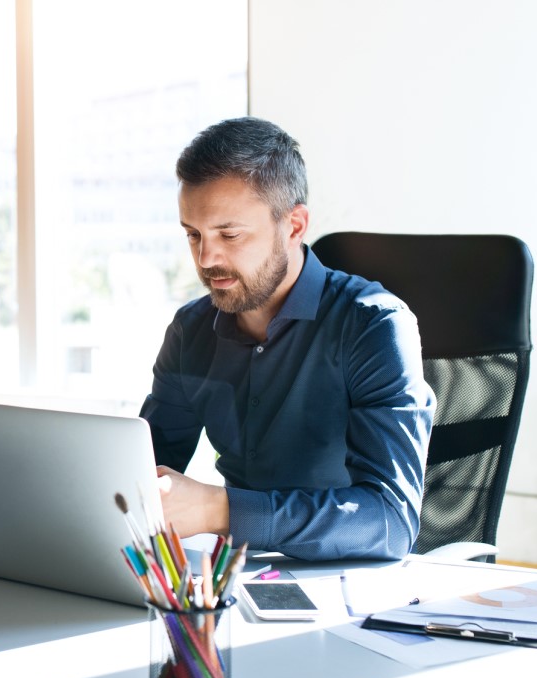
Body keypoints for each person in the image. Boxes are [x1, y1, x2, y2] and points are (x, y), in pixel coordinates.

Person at [140, 117, 435, 561]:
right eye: (193, 234)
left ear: (294, 226)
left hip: (353, 584)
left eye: (229, 234)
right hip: (238, 577)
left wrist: (220, 509)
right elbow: (142, 472)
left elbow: (391, 522)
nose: (206, 257)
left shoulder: (374, 326)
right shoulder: (190, 331)